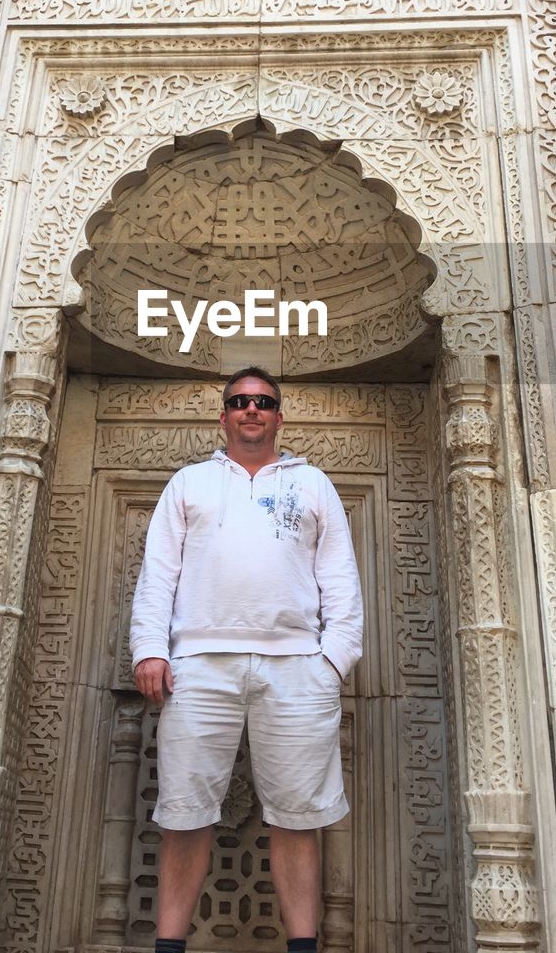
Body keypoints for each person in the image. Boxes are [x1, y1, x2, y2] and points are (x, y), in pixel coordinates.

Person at [130, 366, 364, 953]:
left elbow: (341, 580)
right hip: (198, 667)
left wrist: (332, 662)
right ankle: (169, 947)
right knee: (185, 815)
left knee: (297, 817)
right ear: (224, 416)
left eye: (262, 401)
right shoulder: (190, 483)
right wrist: (150, 650)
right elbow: (158, 573)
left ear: (279, 416)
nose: (250, 410)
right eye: (239, 402)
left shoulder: (312, 484)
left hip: (297, 669)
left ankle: (303, 946)